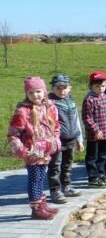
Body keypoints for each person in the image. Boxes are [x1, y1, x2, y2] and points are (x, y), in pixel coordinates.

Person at [7, 77, 61, 220]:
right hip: (32, 152)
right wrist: (22, 151)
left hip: (46, 151)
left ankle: (42, 204)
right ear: (27, 94)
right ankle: (36, 209)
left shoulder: (49, 107)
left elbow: (56, 126)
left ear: (44, 92)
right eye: (31, 93)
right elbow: (13, 133)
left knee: (41, 178)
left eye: (38, 91)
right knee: (35, 179)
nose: (35, 95)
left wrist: (56, 141)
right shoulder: (23, 111)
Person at [47, 74, 84, 203]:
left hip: (71, 138)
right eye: (58, 88)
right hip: (56, 141)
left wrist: (79, 139)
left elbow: (76, 120)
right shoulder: (49, 103)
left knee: (67, 165)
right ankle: (55, 190)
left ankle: (67, 186)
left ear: (70, 88)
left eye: (65, 88)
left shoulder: (71, 101)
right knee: (55, 166)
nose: (62, 91)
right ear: (52, 88)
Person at [82, 71, 106, 187]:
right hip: (95, 135)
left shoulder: (105, 96)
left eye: (103, 86)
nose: (100, 89)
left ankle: (101, 173)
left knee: (103, 155)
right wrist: (96, 130)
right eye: (97, 86)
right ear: (91, 86)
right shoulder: (89, 99)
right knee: (93, 156)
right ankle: (93, 177)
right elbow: (87, 118)